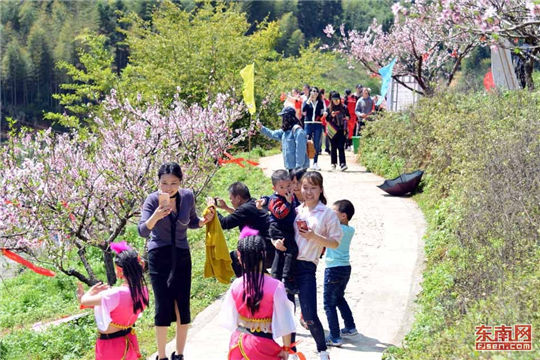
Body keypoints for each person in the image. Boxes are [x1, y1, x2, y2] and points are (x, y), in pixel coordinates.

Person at [138, 162, 215, 360]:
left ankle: (179, 354)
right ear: (158, 182)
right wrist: (155, 216)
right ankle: (161, 356)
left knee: (182, 304)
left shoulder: (187, 196)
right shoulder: (152, 200)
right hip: (159, 255)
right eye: (164, 183)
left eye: (173, 183)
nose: (169, 188)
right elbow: (142, 231)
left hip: (181, 254)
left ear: (180, 182)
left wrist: (203, 221)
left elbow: (191, 221)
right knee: (163, 303)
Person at [219, 229, 296, 360]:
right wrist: (286, 348)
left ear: (239, 257)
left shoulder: (236, 285)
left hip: (238, 343)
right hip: (263, 345)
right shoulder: (275, 286)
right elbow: (285, 322)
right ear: (263, 255)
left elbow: (230, 319)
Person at [292, 171, 343, 360]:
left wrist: (314, 237)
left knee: (309, 314)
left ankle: (322, 350)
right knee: (287, 313)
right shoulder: (296, 210)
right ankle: (291, 352)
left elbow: (335, 242)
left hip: (307, 267)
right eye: (305, 187)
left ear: (321, 189)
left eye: (313, 188)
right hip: (288, 266)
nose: (308, 192)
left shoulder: (327, 213)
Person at [77, 243, 149, 360]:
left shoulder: (115, 294)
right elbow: (117, 309)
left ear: (120, 271)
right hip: (128, 340)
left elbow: (84, 301)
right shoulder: (143, 291)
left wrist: (89, 292)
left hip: (110, 347)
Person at [214, 181, 273, 277]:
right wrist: (226, 207)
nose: (231, 201)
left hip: (265, 253)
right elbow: (240, 216)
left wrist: (212, 208)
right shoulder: (252, 203)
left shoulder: (245, 209)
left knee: (234, 258)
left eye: (231, 199)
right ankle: (262, 278)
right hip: (270, 248)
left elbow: (224, 224)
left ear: (238, 198)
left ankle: (249, 284)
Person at [258, 170, 299, 294]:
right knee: (291, 250)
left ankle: (276, 279)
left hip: (287, 228)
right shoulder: (276, 200)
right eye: (281, 187)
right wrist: (287, 203)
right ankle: (287, 278)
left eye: (288, 186)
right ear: (274, 188)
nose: (286, 189)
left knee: (281, 253)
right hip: (278, 228)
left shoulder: (289, 196)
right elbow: (280, 214)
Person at [324, 200, 358, 347]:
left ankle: (335, 337)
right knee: (338, 298)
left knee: (328, 304)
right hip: (345, 268)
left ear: (343, 216)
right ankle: (350, 327)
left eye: (334, 213)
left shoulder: (336, 230)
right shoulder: (350, 230)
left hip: (333, 269)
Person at [259, 106, 310, 171]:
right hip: (290, 167)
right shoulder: (285, 131)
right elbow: (273, 134)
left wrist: (298, 167)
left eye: (283, 117)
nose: (282, 119)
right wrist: (262, 128)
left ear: (288, 117)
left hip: (298, 168)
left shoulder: (298, 131)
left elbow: (300, 150)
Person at [302, 87, 326, 171]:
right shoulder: (306, 101)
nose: (313, 93)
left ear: (318, 93)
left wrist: (324, 114)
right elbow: (303, 110)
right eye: (312, 91)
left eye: (315, 91)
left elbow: (322, 113)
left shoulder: (320, 102)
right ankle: (305, 162)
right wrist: (309, 100)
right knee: (306, 142)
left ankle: (315, 163)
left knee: (316, 143)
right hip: (308, 124)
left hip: (317, 124)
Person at [326, 92, 350, 171]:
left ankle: (343, 163)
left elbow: (348, 116)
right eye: (334, 99)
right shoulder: (329, 108)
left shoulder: (344, 107)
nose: (336, 101)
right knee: (333, 147)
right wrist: (331, 116)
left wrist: (346, 118)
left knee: (341, 147)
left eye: (337, 99)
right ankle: (333, 163)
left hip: (341, 129)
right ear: (331, 100)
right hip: (332, 130)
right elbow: (326, 119)